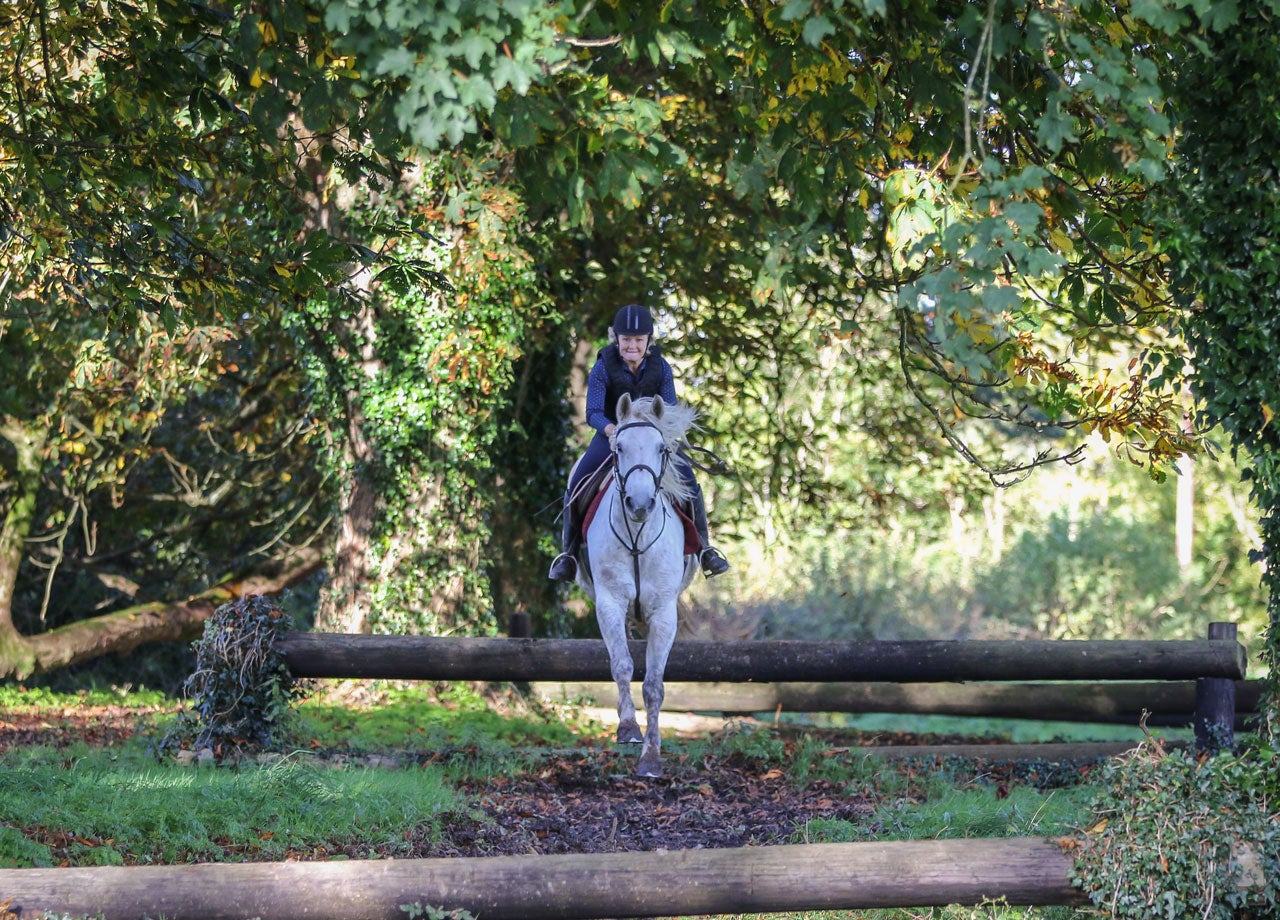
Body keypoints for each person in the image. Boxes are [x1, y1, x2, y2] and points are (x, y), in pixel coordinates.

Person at [548, 304, 731, 582]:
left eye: (638, 340)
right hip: (612, 436)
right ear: (616, 339)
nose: (631, 346)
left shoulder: (662, 368)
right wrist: (613, 430)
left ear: (648, 341)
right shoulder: (602, 366)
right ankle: (569, 555)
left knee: (689, 481)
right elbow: (593, 412)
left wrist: (659, 434)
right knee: (578, 481)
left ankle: (706, 549)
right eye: (626, 340)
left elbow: (668, 408)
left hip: (653, 439)